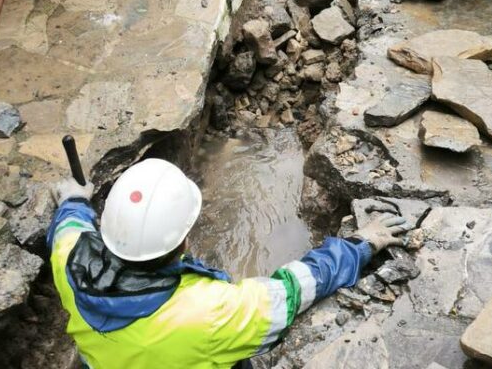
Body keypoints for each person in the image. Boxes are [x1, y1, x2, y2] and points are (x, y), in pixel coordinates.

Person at [49, 158, 412, 369]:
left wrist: (73, 200)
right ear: (184, 238)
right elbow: (294, 288)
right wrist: (360, 245)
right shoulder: (210, 314)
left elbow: (69, 226)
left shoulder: (69, 261)